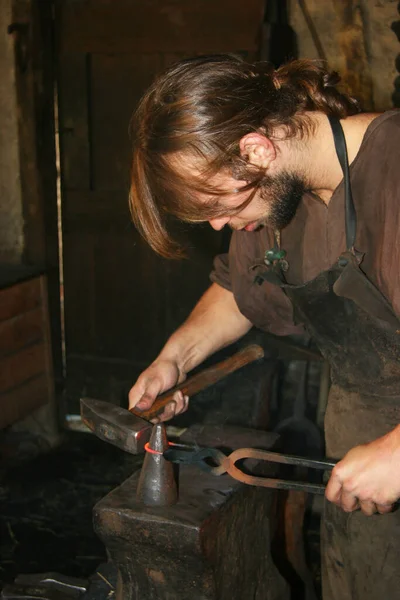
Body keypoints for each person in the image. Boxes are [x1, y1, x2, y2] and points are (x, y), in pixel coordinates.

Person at [127, 54, 400, 600]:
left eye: (217, 205)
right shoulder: (279, 195)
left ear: (255, 148)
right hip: (357, 448)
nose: (220, 224)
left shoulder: (394, 167)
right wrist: (175, 359)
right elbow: (237, 289)